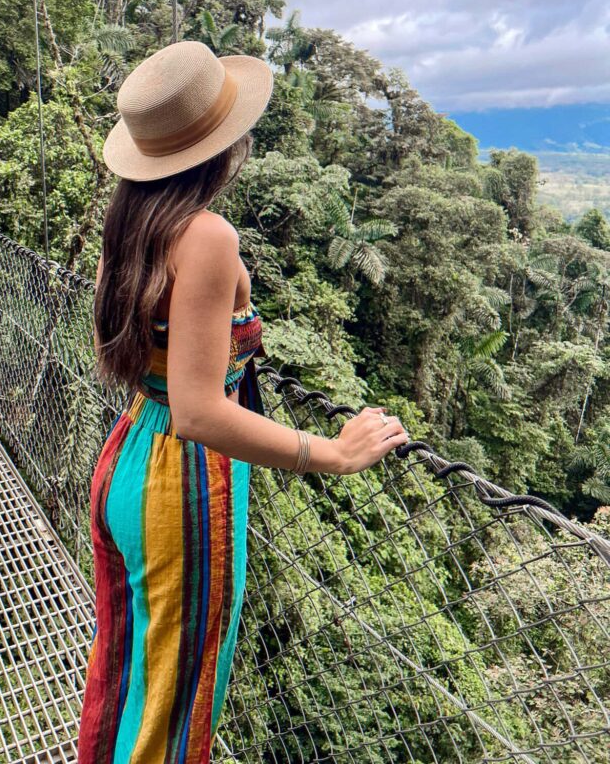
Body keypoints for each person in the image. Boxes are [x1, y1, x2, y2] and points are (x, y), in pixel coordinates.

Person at [77, 41, 408, 764]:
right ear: (221, 147)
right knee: (173, 695)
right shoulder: (207, 237)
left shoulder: (127, 225)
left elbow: (158, 375)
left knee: (129, 669)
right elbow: (198, 411)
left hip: (129, 454)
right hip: (182, 481)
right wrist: (333, 455)